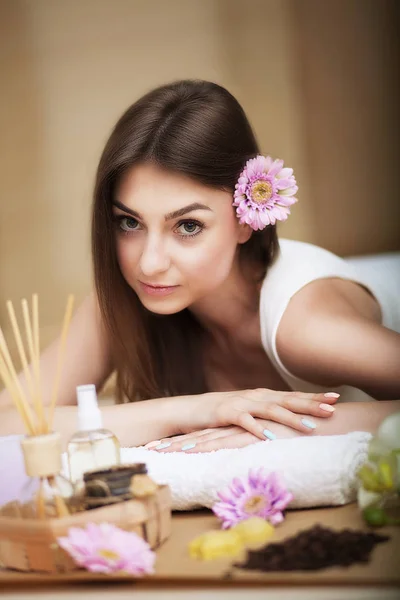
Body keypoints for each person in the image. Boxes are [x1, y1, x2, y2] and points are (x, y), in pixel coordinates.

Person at [1, 80, 399, 450]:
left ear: (246, 218)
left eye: (188, 225)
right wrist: (188, 411)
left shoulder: (305, 327)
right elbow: (8, 419)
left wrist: (277, 429)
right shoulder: (123, 304)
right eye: (129, 222)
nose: (150, 264)